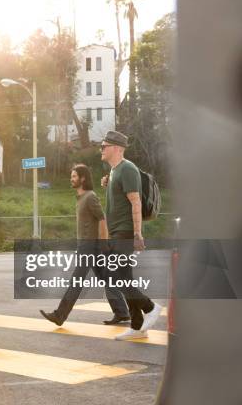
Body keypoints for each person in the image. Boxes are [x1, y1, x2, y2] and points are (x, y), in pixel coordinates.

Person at [39, 164, 130, 326]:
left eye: (74, 176)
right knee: (107, 279)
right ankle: (122, 312)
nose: (71, 179)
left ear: (83, 178)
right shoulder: (80, 198)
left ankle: (60, 315)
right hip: (87, 246)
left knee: (76, 281)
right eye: (71, 176)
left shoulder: (90, 197)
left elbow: (102, 219)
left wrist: (104, 244)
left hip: (90, 247)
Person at [100, 130, 163, 341]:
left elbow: (136, 202)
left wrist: (137, 234)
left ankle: (150, 307)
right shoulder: (116, 171)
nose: (101, 149)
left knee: (121, 278)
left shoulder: (127, 169)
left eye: (104, 146)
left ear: (117, 148)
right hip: (116, 232)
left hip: (125, 232)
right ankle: (137, 326)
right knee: (123, 278)